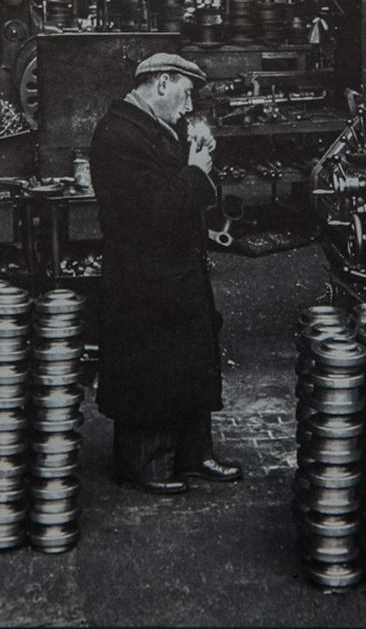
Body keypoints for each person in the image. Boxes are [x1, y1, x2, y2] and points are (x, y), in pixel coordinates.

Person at [89, 52, 243, 495]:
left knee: (189, 362)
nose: (189, 104)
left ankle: (194, 455)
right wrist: (195, 170)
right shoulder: (119, 135)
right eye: (185, 91)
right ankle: (146, 466)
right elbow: (153, 214)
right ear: (161, 83)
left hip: (172, 271)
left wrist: (197, 160)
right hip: (144, 278)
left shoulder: (152, 128)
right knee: (152, 371)